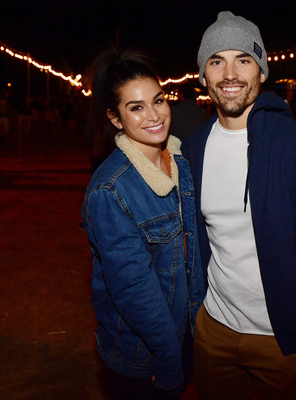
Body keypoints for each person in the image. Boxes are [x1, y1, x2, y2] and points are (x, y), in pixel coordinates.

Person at [181, 11, 296, 400]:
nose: (230, 74)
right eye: (216, 61)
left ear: (262, 70)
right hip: (214, 332)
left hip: (285, 342)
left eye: (243, 59)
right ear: (203, 75)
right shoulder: (193, 148)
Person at [81, 49, 205, 399]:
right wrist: (168, 361)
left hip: (189, 337)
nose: (154, 115)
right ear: (115, 118)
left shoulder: (182, 164)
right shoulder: (110, 190)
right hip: (144, 354)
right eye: (136, 107)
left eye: (158, 100)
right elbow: (134, 291)